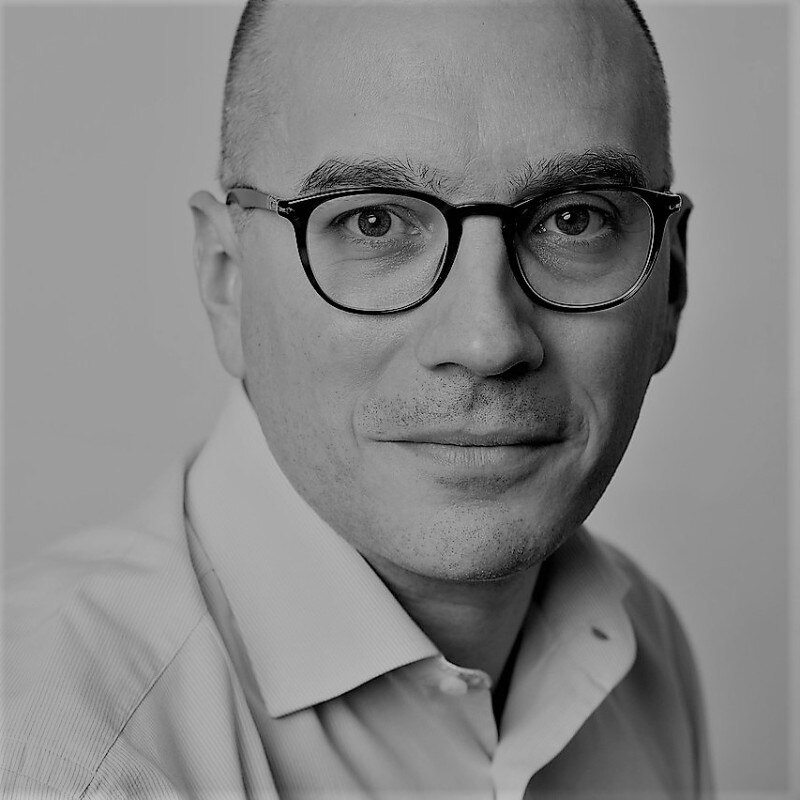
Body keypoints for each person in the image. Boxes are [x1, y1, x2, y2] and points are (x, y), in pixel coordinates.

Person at [2, 0, 714, 797]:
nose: (487, 341)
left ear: (672, 284)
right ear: (226, 280)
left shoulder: (645, 649)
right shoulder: (59, 764)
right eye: (375, 223)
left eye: (575, 220)